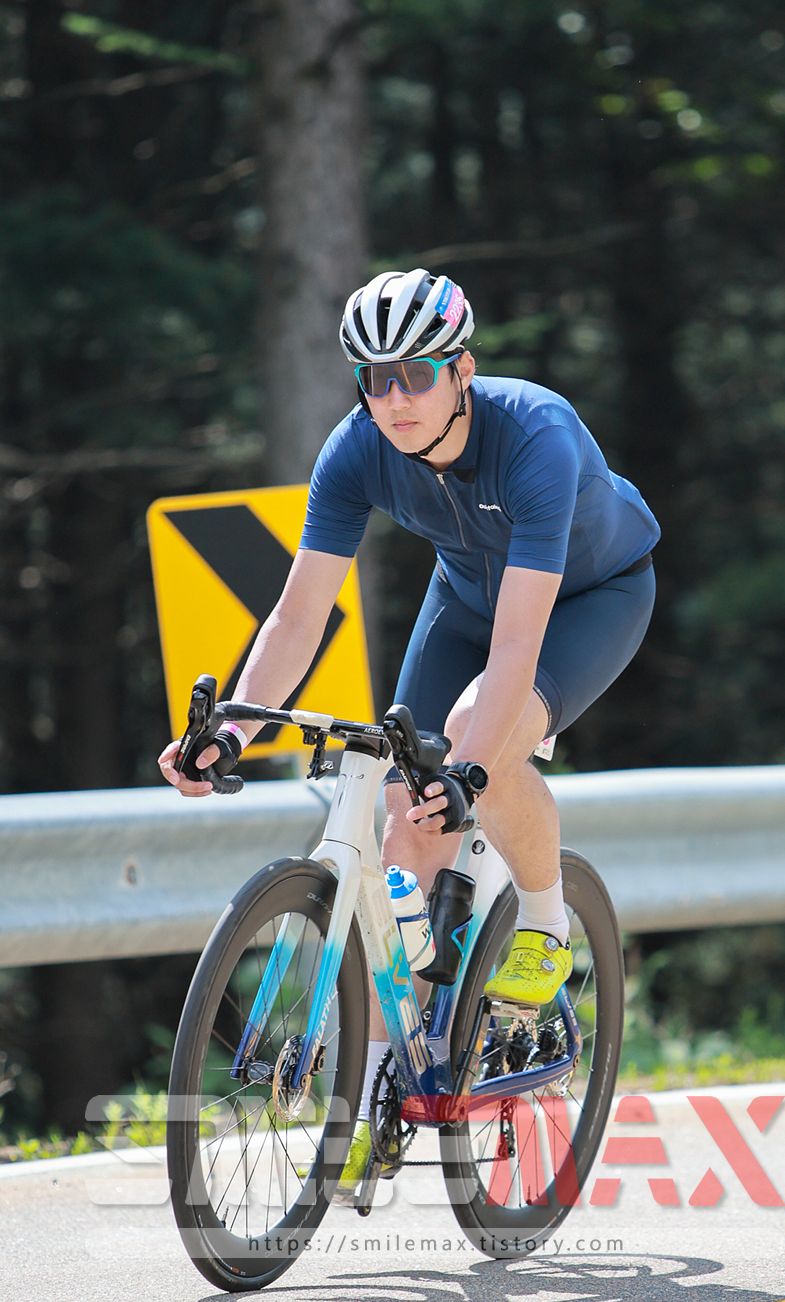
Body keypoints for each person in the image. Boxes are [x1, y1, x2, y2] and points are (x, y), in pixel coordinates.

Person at [158, 268, 658, 1201]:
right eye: (374, 379)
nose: (394, 399)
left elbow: (518, 648)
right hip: (467, 598)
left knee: (472, 738)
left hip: (586, 602)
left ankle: (545, 925)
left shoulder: (537, 436)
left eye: (416, 375)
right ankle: (385, 1089)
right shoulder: (357, 448)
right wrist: (232, 729)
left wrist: (468, 771)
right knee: (404, 819)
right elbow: (297, 616)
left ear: (462, 370)